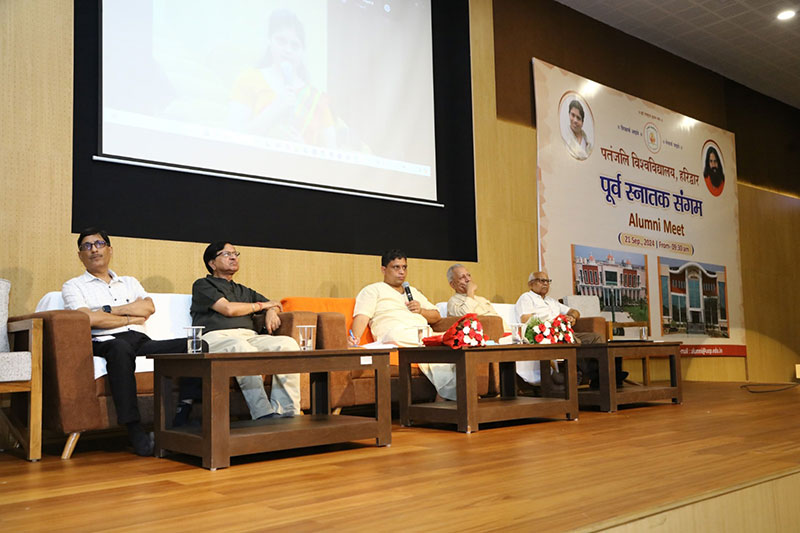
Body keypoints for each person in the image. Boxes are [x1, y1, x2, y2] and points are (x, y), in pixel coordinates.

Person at [62, 228, 191, 456]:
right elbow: (88, 319)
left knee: (194, 345)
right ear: (80, 255)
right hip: (104, 340)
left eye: (99, 244)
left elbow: (148, 307)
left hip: (139, 340)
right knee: (120, 348)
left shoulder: (129, 282)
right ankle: (134, 430)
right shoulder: (73, 286)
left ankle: (184, 416)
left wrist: (109, 310)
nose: (94, 250)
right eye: (87, 246)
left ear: (109, 250)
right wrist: (131, 317)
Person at [179, 241, 301, 425]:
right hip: (215, 338)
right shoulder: (203, 285)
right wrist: (261, 306)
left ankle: (287, 414)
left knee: (288, 344)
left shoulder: (243, 290)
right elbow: (228, 309)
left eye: (235, 254)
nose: (233, 257)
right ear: (212, 263)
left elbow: (275, 304)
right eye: (226, 254)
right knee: (241, 348)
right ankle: (263, 414)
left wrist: (271, 311)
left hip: (249, 336)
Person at [229, 8, 337, 148]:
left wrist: (303, 148)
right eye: (281, 41)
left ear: (302, 52)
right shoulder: (249, 79)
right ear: (270, 41)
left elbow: (331, 152)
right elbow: (233, 136)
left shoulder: (316, 98)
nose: (288, 50)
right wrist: (276, 107)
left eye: (295, 45)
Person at [350, 250, 451, 398]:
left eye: (404, 267)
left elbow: (436, 316)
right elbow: (362, 317)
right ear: (383, 269)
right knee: (398, 335)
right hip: (394, 334)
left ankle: (442, 400)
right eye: (396, 267)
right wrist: (354, 339)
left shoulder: (413, 292)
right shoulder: (372, 290)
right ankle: (436, 341)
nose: (402, 272)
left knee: (454, 349)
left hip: (420, 333)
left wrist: (421, 310)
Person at [516, 271, 627, 387]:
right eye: (541, 280)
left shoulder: (551, 301)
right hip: (545, 335)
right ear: (530, 284)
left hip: (563, 333)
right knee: (574, 341)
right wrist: (552, 322)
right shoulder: (526, 298)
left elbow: (574, 311)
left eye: (548, 281)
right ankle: (603, 376)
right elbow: (525, 319)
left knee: (596, 338)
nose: (545, 284)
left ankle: (603, 375)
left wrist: (572, 317)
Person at [446, 263, 510, 333]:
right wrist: (470, 292)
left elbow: (498, 319)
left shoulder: (482, 299)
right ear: (452, 284)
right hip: (482, 335)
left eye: (468, 275)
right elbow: (466, 318)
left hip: (504, 333)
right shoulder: (453, 302)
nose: (468, 279)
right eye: (462, 277)